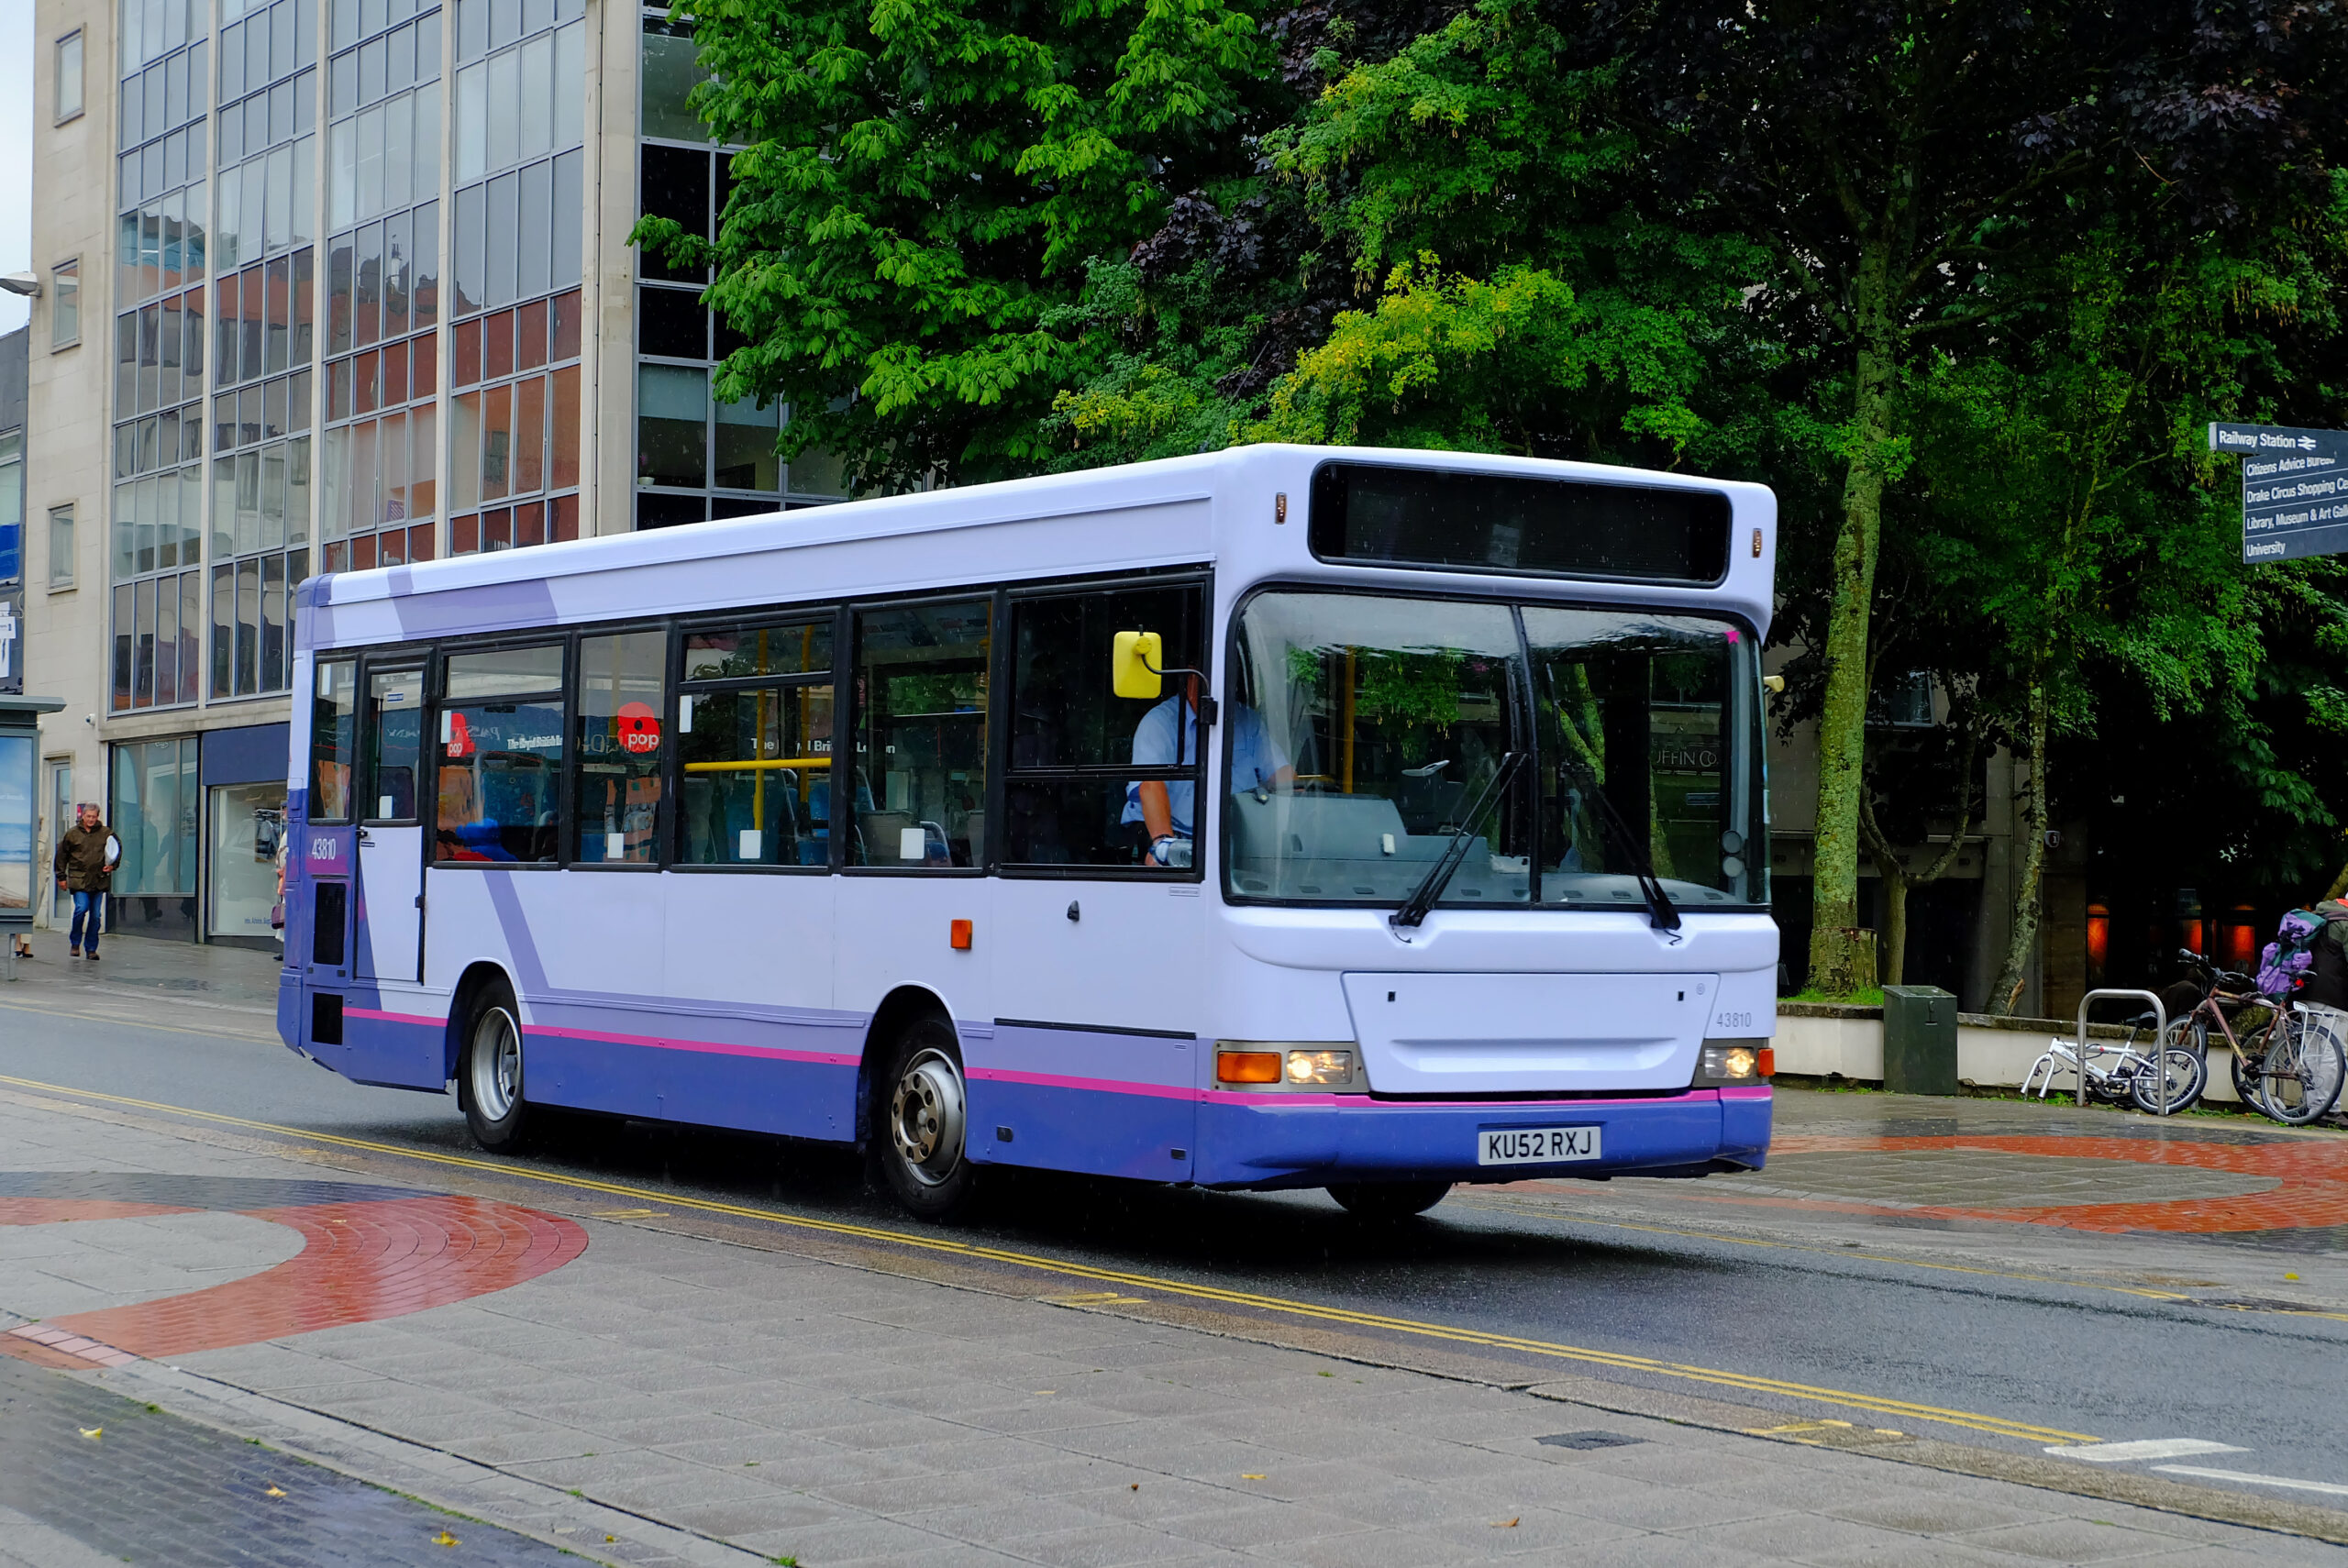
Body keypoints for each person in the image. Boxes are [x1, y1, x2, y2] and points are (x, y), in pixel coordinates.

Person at [1124, 675, 1293, 867]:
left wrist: (1305, 803)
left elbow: (1282, 774)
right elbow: (1150, 785)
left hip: (1238, 840)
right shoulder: (1159, 722)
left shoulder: (1247, 720)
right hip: (1173, 835)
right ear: (1190, 675)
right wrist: (1164, 844)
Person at [52, 803, 118, 961]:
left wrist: (112, 865)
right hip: (78, 879)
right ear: (83, 816)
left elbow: (116, 850)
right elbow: (61, 856)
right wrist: (61, 877)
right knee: (81, 909)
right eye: (88, 816)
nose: (90, 819)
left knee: (96, 915)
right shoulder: (72, 834)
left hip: (98, 880)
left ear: (98, 817)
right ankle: (75, 943)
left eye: (93, 817)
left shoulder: (106, 833)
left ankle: (91, 948)